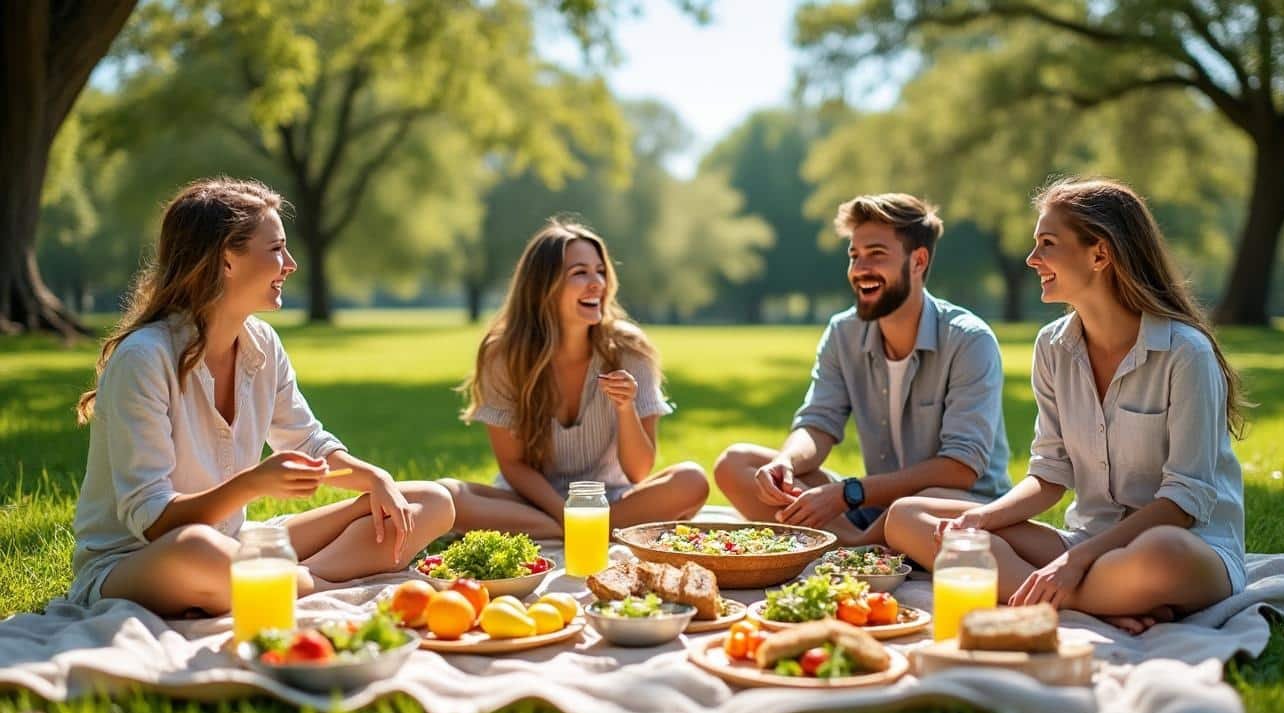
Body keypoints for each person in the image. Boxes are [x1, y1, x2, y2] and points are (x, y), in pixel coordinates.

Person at [68, 177, 456, 617]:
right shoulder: (145, 359)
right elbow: (155, 523)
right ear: (225, 260)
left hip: (236, 543)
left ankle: (291, 584)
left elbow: (308, 444)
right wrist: (253, 483)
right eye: (275, 249)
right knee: (197, 549)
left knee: (431, 503)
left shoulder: (262, 345)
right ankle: (313, 585)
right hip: (138, 560)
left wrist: (374, 478)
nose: (289, 264)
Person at [885, 178, 1247, 632]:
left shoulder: (1185, 353)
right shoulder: (1052, 347)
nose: (1031, 259)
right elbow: (1049, 475)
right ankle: (1095, 603)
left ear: (1100, 254)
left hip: (1187, 548)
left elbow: (1183, 501)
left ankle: (1055, 593)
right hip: (1087, 544)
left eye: (1047, 244)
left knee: (1162, 555)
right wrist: (982, 517)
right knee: (908, 515)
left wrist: (1075, 561)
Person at [714, 193, 1012, 545]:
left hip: (951, 510)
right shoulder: (844, 333)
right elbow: (818, 423)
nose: (859, 269)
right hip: (872, 503)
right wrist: (787, 462)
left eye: (876, 254)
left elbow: (961, 469)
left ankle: (854, 543)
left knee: (908, 516)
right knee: (735, 465)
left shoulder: (969, 340)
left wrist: (846, 494)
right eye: (854, 256)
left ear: (918, 262)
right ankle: (863, 545)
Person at [443, 218, 709, 538]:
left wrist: (625, 408)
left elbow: (639, 471)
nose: (597, 283)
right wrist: (566, 515)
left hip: (610, 500)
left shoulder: (630, 350)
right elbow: (512, 464)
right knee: (448, 495)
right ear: (542, 287)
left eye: (600, 271)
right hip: (533, 503)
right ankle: (583, 531)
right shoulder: (504, 355)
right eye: (580, 273)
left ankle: (560, 531)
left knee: (691, 481)